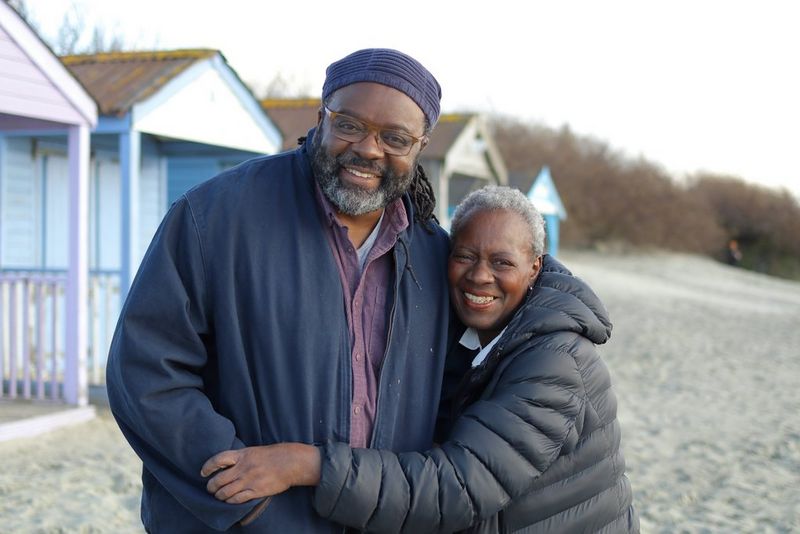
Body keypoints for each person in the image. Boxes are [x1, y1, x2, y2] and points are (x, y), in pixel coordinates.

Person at [105, 48, 453, 532]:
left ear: (420, 146)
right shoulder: (215, 217)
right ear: (321, 118)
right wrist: (248, 505)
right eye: (349, 124)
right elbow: (145, 371)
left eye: (394, 137)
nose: (369, 149)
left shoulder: (435, 254)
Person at [203, 185, 639, 533]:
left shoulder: (556, 361)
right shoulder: (469, 335)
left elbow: (459, 487)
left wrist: (304, 463)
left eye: (501, 262)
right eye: (464, 255)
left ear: (535, 269)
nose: (479, 275)